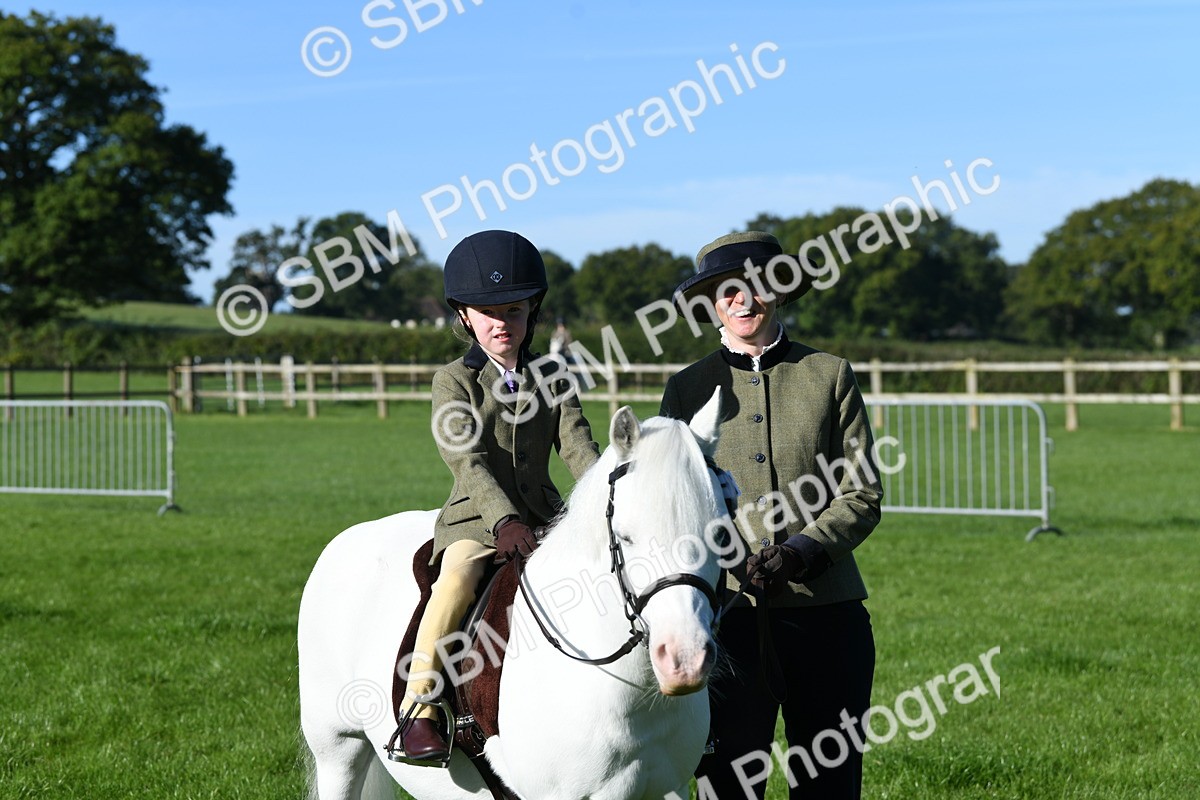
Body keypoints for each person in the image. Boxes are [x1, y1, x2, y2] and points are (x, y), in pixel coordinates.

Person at [659, 231, 882, 799]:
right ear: (712, 303)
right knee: (726, 788)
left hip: (825, 616)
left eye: (757, 287)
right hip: (726, 620)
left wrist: (801, 551)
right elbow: (674, 506)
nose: (744, 301)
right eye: (728, 291)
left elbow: (861, 492)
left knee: (829, 785)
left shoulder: (829, 374)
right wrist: (733, 557)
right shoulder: (685, 390)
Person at [394, 230, 600, 764]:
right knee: (458, 577)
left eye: (512, 310)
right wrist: (505, 521)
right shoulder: (453, 381)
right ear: (464, 317)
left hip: (547, 517)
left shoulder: (553, 376)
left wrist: (604, 499)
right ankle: (420, 708)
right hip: (476, 523)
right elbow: (468, 461)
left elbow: (578, 447)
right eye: (486, 313)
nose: (500, 323)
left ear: (533, 311)